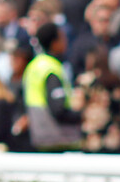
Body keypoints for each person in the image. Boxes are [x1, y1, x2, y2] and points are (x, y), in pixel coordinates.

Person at [22, 22, 82, 151]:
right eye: (62, 37)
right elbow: (58, 110)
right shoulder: (51, 69)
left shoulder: (34, 65)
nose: (66, 41)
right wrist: (81, 116)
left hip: (39, 136)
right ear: (55, 42)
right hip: (58, 138)